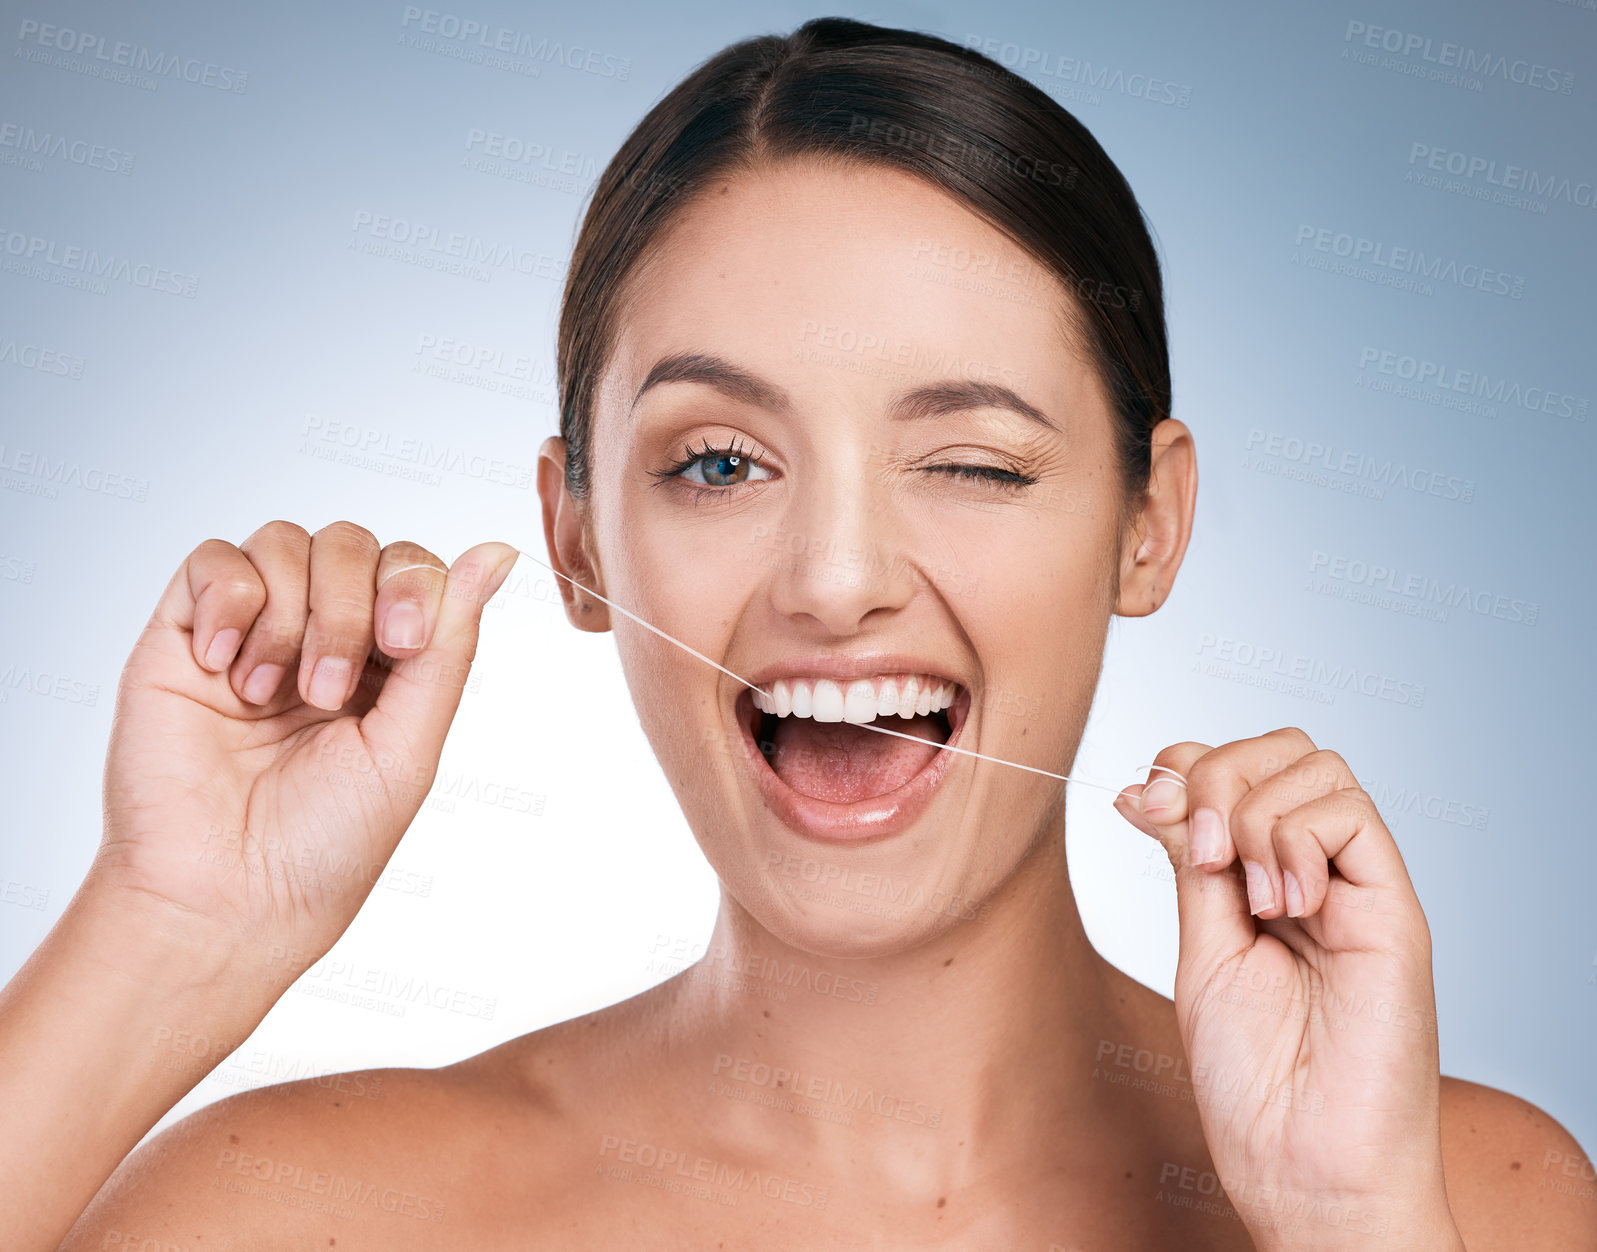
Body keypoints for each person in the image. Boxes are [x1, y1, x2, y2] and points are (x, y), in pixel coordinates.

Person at [5, 17, 1590, 1251]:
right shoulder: (298, 1212)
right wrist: (167, 933)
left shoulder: (1466, 1198)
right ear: (573, 542)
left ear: (1146, 519)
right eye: (717, 463)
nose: (837, 580)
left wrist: (1347, 1229)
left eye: (970, 461)